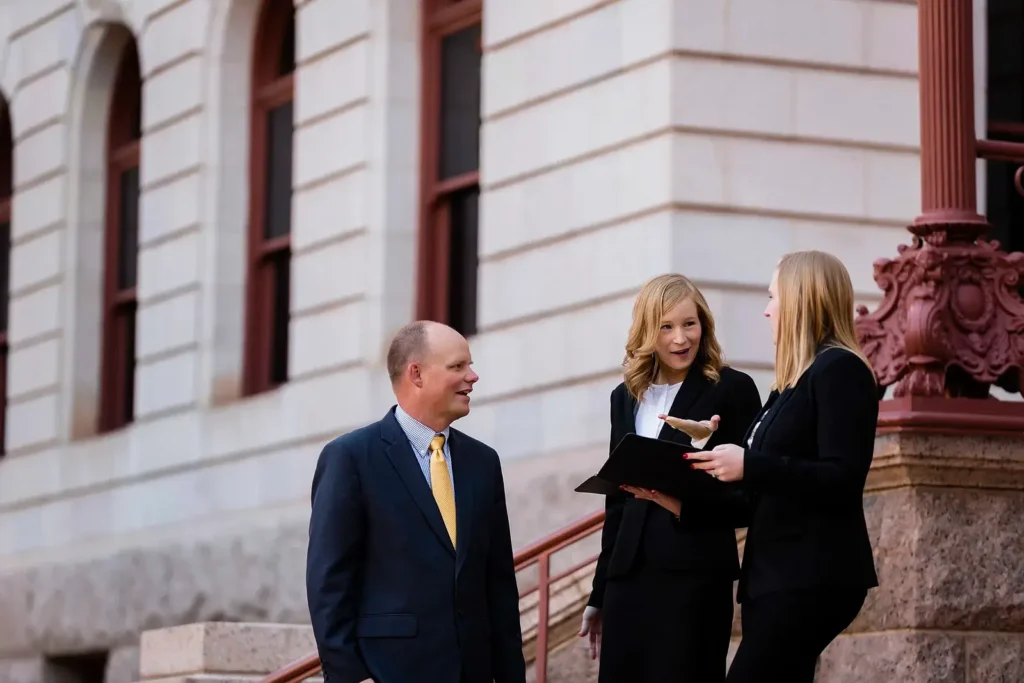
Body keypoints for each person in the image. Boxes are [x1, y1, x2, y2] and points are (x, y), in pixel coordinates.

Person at [688, 250, 880, 683]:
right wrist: (681, 495)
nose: (767, 309)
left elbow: (842, 476)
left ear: (801, 300)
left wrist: (751, 464)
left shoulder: (840, 369)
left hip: (810, 576)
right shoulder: (790, 383)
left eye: (774, 296)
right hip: (776, 579)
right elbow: (761, 490)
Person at [306, 321, 526, 683]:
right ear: (416, 374)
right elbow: (329, 583)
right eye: (458, 366)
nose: (472, 377)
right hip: (388, 673)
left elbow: (498, 586)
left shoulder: (483, 463)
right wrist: (349, 676)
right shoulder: (350, 458)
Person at [578, 273, 763, 683]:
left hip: (694, 576)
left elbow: (752, 497)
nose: (681, 338)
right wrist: (600, 592)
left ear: (704, 326)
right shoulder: (624, 397)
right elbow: (617, 503)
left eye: (689, 324)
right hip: (629, 580)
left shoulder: (732, 389)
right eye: (666, 327)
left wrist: (684, 504)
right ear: (647, 332)